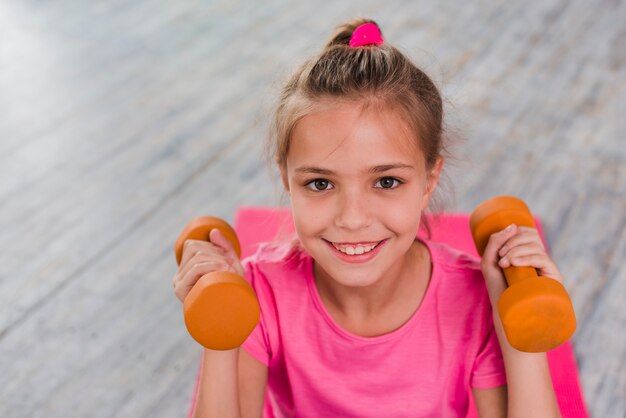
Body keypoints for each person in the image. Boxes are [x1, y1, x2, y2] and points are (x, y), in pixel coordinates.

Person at [172, 18, 563, 418]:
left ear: (429, 181)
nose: (352, 219)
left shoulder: (476, 302)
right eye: (321, 184)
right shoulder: (259, 294)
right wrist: (218, 339)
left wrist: (519, 338)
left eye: (387, 181)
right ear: (287, 180)